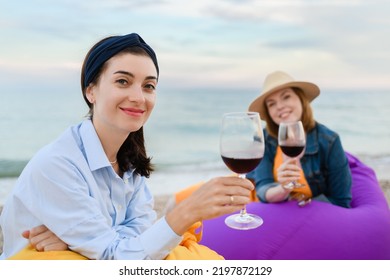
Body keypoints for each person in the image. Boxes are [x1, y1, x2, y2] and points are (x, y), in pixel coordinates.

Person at [0, 33, 254, 260]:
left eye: (149, 86)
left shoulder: (129, 162)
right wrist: (183, 213)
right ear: (91, 91)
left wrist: (77, 243)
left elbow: (138, 237)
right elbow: (119, 258)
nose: (138, 97)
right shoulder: (57, 164)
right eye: (123, 81)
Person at [246, 70, 352, 208]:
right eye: (271, 104)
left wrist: (306, 205)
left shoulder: (329, 140)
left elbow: (341, 201)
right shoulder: (262, 140)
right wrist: (284, 188)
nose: (280, 106)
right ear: (268, 112)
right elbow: (263, 190)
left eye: (286, 97)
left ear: (301, 99)